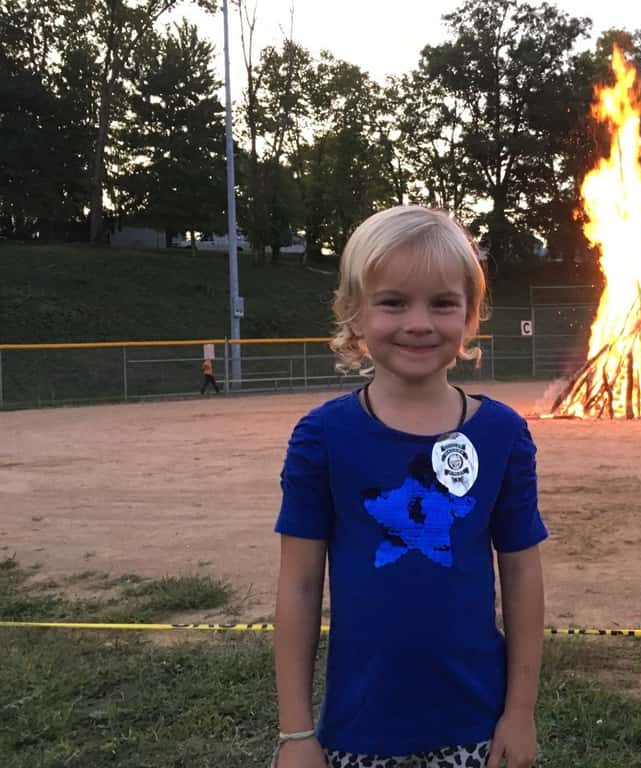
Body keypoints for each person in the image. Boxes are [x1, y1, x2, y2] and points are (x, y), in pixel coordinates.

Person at [272, 205, 547, 768]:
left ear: (470, 317)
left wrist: (519, 713)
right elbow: (299, 586)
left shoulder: (503, 435)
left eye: (442, 303)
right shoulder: (321, 437)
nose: (419, 322)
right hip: (357, 732)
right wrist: (297, 735)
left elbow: (521, 576)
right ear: (354, 315)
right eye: (393, 301)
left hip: (477, 727)